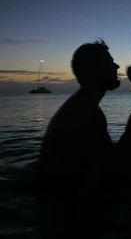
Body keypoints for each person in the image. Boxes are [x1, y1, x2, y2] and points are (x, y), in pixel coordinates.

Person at [36, 39, 120, 237]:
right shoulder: (85, 114)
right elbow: (105, 174)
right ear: (93, 71)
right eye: (109, 63)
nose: (116, 66)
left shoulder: (85, 107)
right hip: (66, 211)